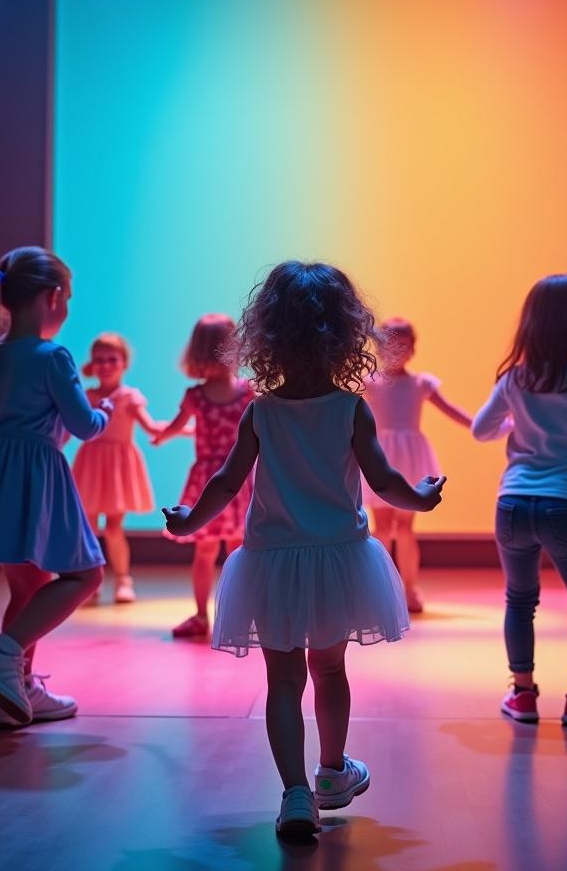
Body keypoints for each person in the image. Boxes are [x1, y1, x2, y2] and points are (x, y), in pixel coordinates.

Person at [163, 262, 444, 837]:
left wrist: (190, 521)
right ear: (344, 337)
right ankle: (333, 772)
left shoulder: (262, 409)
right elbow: (386, 482)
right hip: (339, 558)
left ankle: (295, 794)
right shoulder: (348, 408)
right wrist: (422, 497)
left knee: (283, 681)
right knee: (331, 669)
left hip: (273, 562)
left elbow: (225, 481)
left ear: (267, 338)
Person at [0, 246, 111, 727]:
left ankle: (13, 692)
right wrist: (107, 414)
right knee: (87, 576)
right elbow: (83, 425)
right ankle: (4, 655)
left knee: (27, 585)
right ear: (54, 297)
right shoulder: (53, 356)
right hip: (36, 474)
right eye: (69, 298)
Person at [472, 274, 567, 727]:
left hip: (513, 505)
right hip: (565, 507)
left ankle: (522, 696)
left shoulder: (515, 379)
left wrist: (513, 427)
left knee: (520, 602)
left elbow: (482, 429)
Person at [151, 314, 254, 636]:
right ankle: (242, 615)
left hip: (209, 480)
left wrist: (162, 436)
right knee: (240, 551)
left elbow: (176, 427)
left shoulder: (196, 396)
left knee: (206, 552)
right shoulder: (247, 392)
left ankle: (201, 616)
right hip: (239, 478)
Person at [362, 317, 471, 613]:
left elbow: (452, 410)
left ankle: (409, 590)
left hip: (411, 458)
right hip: (381, 456)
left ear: (413, 349)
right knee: (382, 526)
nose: (396, 352)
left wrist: (480, 425)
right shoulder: (369, 382)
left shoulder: (421, 383)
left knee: (407, 528)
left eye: (403, 346)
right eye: (390, 346)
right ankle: (380, 591)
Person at [72, 332, 161, 604]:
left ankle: (123, 579)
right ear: (92, 364)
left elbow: (151, 427)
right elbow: (73, 424)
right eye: (100, 359)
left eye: (112, 359)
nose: (106, 365)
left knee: (113, 527)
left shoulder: (130, 397)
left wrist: (191, 429)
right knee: (88, 527)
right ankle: (91, 580)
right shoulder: (86, 396)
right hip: (91, 462)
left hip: (118, 467)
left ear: (124, 363)